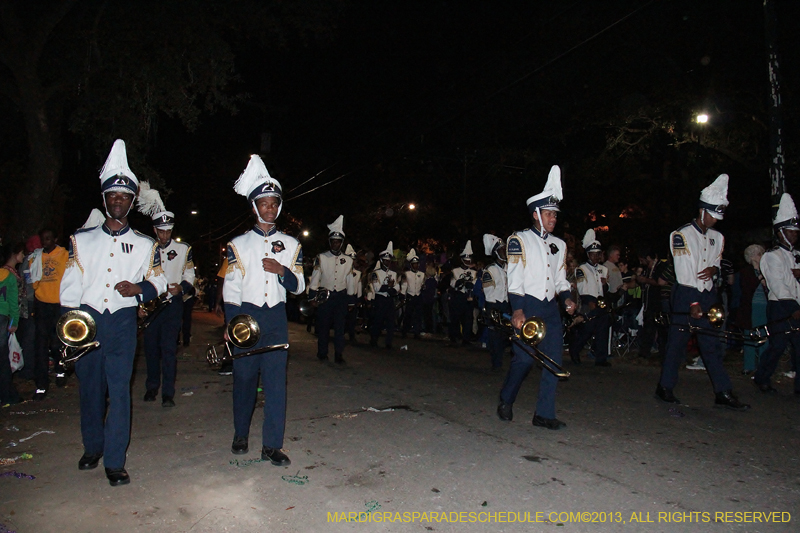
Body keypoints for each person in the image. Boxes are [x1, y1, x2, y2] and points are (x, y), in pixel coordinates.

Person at [60, 139, 168, 486]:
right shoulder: (81, 239)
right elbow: (70, 287)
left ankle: (115, 460)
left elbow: (160, 283)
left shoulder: (145, 244)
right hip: (88, 322)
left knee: (119, 390)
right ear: (104, 199)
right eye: (112, 195)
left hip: (121, 322)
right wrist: (71, 327)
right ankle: (92, 447)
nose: (118, 200)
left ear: (132, 201)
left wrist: (139, 290)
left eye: (124, 196)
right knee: (90, 388)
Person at [223, 154, 305, 466]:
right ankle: (240, 433)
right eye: (264, 203)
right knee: (244, 380)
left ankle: (272, 445)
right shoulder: (238, 244)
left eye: (274, 203)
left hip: (276, 319)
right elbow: (230, 289)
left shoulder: (292, 243)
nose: (269, 208)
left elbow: (299, 287)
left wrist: (282, 271)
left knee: (275, 384)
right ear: (254, 207)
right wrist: (233, 326)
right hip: (246, 316)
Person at [654, 174, 748, 410]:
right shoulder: (682, 234)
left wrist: (714, 269)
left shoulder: (718, 237)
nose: (714, 221)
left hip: (708, 294)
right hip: (687, 293)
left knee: (711, 344)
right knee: (677, 344)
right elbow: (684, 270)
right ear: (702, 210)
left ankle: (723, 391)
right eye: (712, 216)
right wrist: (693, 303)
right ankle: (665, 387)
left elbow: (715, 262)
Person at [497, 165, 576, 430]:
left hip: (550, 309)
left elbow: (560, 278)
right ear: (536, 214)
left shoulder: (560, 245)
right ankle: (507, 398)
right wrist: (517, 310)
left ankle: (544, 414)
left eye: (555, 214)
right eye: (549, 214)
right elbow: (515, 277)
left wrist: (566, 298)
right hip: (528, 305)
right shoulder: (518, 240)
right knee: (524, 359)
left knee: (554, 360)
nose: (553, 218)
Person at [137, 184, 195, 407]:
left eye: (167, 231)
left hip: (172, 305)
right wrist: (139, 305)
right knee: (151, 349)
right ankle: (152, 387)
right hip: (152, 305)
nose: (164, 235)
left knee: (169, 349)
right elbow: (138, 277)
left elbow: (190, 274)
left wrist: (181, 287)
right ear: (154, 230)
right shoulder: (145, 249)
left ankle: (168, 393)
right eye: (160, 231)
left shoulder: (183, 249)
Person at [753, 194, 800, 395]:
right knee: (778, 346)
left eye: (796, 232)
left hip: (795, 306)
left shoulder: (796, 256)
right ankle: (762, 377)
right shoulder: (772, 257)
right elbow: (779, 287)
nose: (794, 235)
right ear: (780, 233)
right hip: (781, 307)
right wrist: (794, 309)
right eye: (790, 231)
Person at [30, 227, 70, 398]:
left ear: (55, 238)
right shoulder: (35, 257)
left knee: (56, 343)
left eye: (48, 238)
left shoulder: (64, 255)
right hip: (41, 305)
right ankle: (41, 384)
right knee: (40, 345)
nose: (45, 242)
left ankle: (60, 369)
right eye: (43, 239)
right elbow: (32, 280)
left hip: (58, 305)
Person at [308, 216, 354, 363]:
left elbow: (350, 280)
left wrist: (351, 300)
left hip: (340, 296)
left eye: (338, 241)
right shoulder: (321, 257)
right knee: (324, 326)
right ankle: (322, 352)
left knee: (340, 328)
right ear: (329, 242)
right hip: (325, 297)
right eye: (333, 241)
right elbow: (315, 278)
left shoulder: (348, 260)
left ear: (341, 243)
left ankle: (339, 354)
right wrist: (312, 297)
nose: (335, 244)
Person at [570, 229, 611, 366]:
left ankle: (601, 358)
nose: (595, 257)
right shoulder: (582, 269)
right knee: (587, 330)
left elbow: (605, 288)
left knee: (602, 331)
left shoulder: (603, 269)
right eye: (592, 254)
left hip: (601, 303)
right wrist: (589, 302)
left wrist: (605, 285)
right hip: (589, 302)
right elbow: (582, 288)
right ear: (588, 254)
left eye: (597, 254)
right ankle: (574, 351)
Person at [734, 244, 768, 375]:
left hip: (764, 306)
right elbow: (747, 288)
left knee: (763, 336)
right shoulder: (746, 271)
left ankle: (763, 366)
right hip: (751, 307)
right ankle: (749, 366)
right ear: (752, 256)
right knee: (749, 336)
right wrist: (756, 270)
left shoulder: (766, 269)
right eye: (759, 254)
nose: (761, 256)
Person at [1, 243, 25, 406]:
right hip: (3, 318)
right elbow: (12, 303)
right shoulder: (10, 277)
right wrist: (14, 322)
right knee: (3, 359)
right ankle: (8, 396)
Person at [481, 234, 510, 371]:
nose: (504, 252)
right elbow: (489, 293)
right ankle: (496, 363)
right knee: (495, 337)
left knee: (505, 335)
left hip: (505, 305)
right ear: (496, 253)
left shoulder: (507, 268)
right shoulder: (490, 270)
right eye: (502, 250)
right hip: (494, 305)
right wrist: (494, 310)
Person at [368, 242, 399, 349]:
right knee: (378, 320)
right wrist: (389, 287)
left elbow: (397, 288)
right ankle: (374, 339)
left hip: (389, 300)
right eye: (385, 260)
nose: (387, 262)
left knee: (391, 322)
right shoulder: (375, 273)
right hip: (380, 299)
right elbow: (377, 288)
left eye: (389, 260)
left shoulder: (394, 274)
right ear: (381, 260)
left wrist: (389, 288)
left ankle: (389, 342)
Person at [449, 241, 478, 345]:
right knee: (455, 318)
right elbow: (452, 284)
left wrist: (472, 286)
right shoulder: (455, 271)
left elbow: (475, 284)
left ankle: (466, 338)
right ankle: (454, 337)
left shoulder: (474, 272)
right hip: (458, 296)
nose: (467, 261)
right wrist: (459, 283)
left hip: (468, 297)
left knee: (468, 319)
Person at [400, 248, 425, 339]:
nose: (416, 265)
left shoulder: (422, 274)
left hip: (418, 296)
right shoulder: (407, 274)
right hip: (410, 295)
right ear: (411, 265)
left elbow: (422, 284)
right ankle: (405, 331)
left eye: (417, 264)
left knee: (418, 315)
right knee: (408, 315)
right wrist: (402, 296)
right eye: (414, 264)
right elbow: (404, 285)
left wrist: (423, 288)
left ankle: (416, 332)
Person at [343, 244, 363, 344]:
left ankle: (351, 335)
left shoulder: (358, 273)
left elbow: (359, 286)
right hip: (343, 296)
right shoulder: (342, 271)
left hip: (353, 297)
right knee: (342, 317)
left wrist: (359, 299)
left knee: (352, 318)